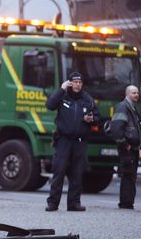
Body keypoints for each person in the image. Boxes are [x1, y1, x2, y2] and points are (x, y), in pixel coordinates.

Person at [45, 72, 100, 212]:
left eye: (80, 82)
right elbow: (50, 105)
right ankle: (53, 203)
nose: (78, 85)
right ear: (70, 83)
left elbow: (98, 118)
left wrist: (91, 119)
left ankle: (74, 203)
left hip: (80, 141)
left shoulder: (87, 99)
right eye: (75, 82)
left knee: (77, 173)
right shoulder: (63, 96)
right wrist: (61, 89)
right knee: (59, 171)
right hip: (63, 140)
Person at [109, 85, 141, 209]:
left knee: (131, 175)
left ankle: (128, 203)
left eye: (137, 92)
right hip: (127, 149)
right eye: (133, 93)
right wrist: (125, 144)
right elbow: (116, 128)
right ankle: (125, 204)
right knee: (128, 175)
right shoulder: (123, 107)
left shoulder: (132, 108)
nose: (136, 94)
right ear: (127, 94)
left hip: (133, 148)